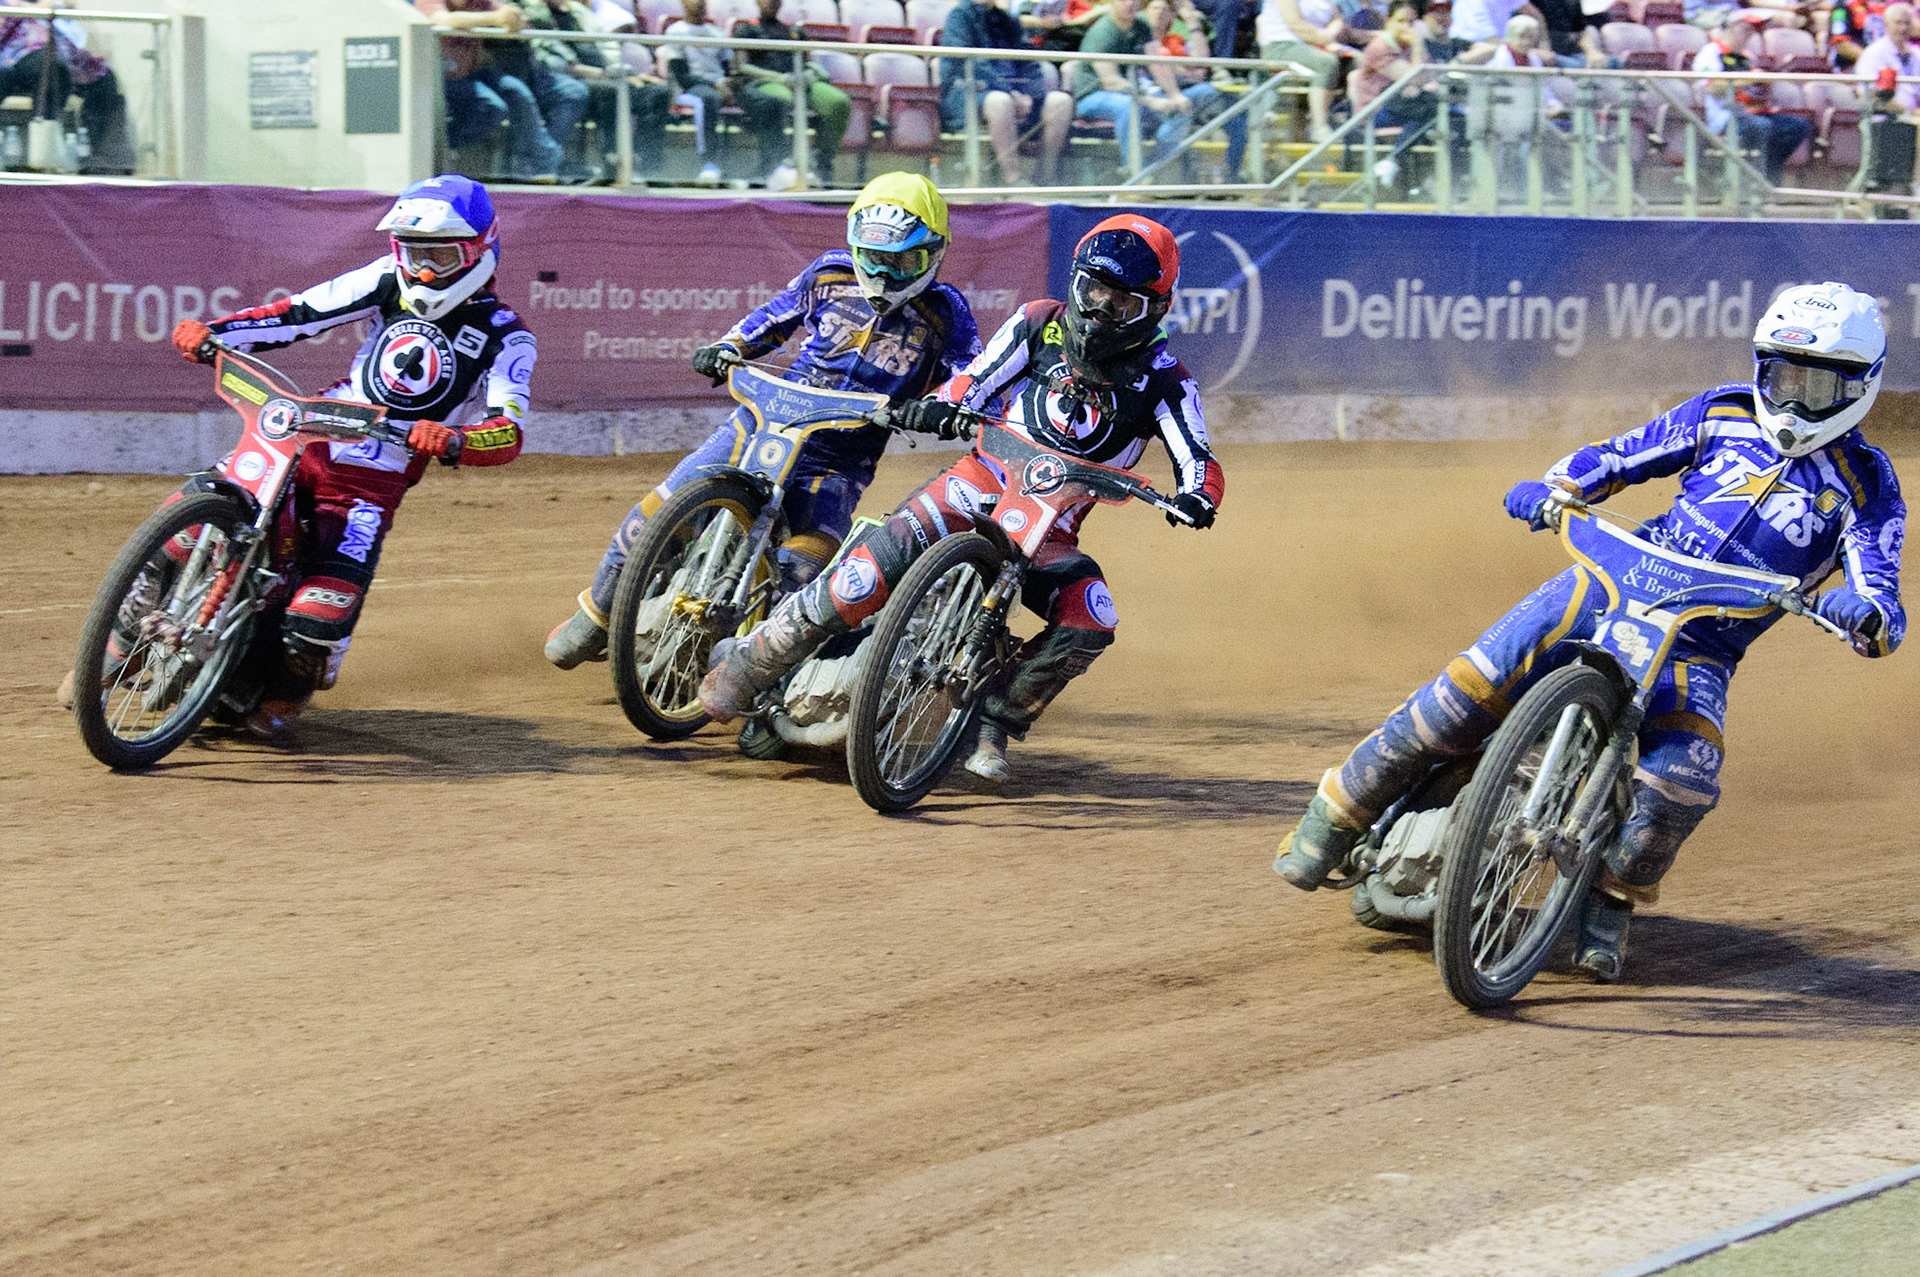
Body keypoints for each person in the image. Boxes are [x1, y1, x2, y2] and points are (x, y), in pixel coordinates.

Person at [1274, 282, 1905, 982]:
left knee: (1683, 776)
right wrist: (1558, 488)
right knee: (1463, 692)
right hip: (1609, 583)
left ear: (1860, 387)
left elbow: (1881, 596)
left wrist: (1866, 614)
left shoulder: (1868, 485)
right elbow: (1620, 456)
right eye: (1782, 375)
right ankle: (1334, 816)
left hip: (1702, 645)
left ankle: (1613, 898)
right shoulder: (1723, 411)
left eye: (1817, 384)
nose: (1792, 399)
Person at [697, 214, 1225, 782]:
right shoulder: (1039, 324)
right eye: (1093, 292)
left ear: (1156, 309)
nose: (1100, 312)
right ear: (1075, 282)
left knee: (1091, 619)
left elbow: (1198, 457)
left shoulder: (1168, 381)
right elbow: (974, 379)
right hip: (976, 483)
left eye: (1122, 304)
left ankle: (993, 719)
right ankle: (758, 660)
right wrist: (943, 405)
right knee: (870, 569)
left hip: (1051, 532)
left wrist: (1199, 497)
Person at [544, 174, 980, 670]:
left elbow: (972, 372)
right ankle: (599, 613)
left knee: (805, 568)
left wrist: (948, 407)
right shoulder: (828, 274)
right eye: (873, 256)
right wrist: (728, 348)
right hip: (760, 422)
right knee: (662, 506)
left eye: (901, 261)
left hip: (839, 458)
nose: (882, 273)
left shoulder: (947, 312)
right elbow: (773, 317)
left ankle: (758, 674)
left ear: (935, 253)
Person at [167, 177, 536, 741]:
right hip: (304, 434)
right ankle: (122, 633)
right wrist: (215, 333)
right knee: (196, 512)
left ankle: (288, 691)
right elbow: (298, 313)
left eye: (440, 254)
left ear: (480, 250)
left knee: (317, 616)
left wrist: (456, 440)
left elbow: (507, 430)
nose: (425, 271)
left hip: (373, 478)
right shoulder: (384, 279)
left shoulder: (507, 335)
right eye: (413, 253)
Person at [418, 0, 569, 182]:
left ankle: (540, 167)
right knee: (491, 105)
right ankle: (436, 150)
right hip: (436, 78)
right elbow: (440, 19)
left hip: (472, 72)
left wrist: (512, 18)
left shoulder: (482, 2)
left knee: (515, 90)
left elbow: (516, 20)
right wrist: (494, 18)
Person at [1074, 0, 1228, 169]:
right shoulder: (1103, 31)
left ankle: (1154, 167)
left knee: (1181, 108)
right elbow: (1110, 81)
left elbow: (1157, 64)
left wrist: (1175, 95)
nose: (1130, 4)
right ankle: (1133, 171)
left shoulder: (1141, 26)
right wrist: (1150, 100)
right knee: (1129, 107)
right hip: (1094, 95)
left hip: (1130, 93)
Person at [941, 0, 1075, 183]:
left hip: (1015, 91)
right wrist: (1010, 93)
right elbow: (969, 63)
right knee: (1000, 101)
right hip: (970, 91)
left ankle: (1044, 179)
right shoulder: (959, 16)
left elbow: (1028, 60)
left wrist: (1030, 95)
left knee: (1061, 102)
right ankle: (1013, 179)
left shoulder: (1008, 20)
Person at [0, 10, 137, 174]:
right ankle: (43, 159)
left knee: (104, 78)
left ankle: (103, 162)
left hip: (63, 58)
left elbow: (75, 37)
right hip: (16, 59)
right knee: (51, 68)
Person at [735, 0, 853, 186]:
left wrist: (807, 74)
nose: (772, 2)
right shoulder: (746, 29)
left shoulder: (794, 31)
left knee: (837, 101)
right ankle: (778, 166)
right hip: (767, 81)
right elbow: (741, 66)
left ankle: (821, 163)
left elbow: (807, 60)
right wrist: (778, 78)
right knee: (781, 99)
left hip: (800, 82)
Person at [1692, 13, 1811, 186]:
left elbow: (1753, 93)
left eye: (1753, 30)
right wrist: (1749, 79)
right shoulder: (1711, 52)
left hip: (1749, 113)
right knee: (1760, 126)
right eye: (1746, 28)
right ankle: (1749, 182)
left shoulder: (1746, 57)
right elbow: (1713, 88)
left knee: (1796, 126)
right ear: (1731, 26)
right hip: (1722, 116)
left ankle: (1766, 179)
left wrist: (1764, 86)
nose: (1750, 33)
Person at [1145, 0, 1250, 178]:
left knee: (1238, 115)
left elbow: (1200, 65)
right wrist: (1183, 71)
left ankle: (1232, 176)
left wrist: (1192, 24)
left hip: (1189, 95)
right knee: (1205, 93)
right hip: (1159, 99)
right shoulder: (1140, 39)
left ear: (1171, 15)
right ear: (1145, 12)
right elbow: (1165, 69)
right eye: (1155, 8)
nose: (1160, 13)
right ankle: (1147, 171)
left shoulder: (1176, 40)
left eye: (1165, 10)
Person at [663, 0, 735, 185]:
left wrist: (728, 83)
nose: (699, 3)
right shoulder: (675, 32)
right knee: (708, 98)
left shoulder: (717, 34)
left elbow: (729, 68)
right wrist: (716, 85)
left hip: (719, 86)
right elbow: (682, 77)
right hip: (689, 89)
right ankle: (709, 163)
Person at [1256, 0, 1347, 139]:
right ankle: (1319, 127)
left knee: (1358, 61)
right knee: (1326, 62)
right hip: (1282, 46)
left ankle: (1357, 128)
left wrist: (1330, 33)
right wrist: (1324, 40)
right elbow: (1295, 24)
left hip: (1317, 45)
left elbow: (1337, 18)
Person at [1855, 2, 1920, 110]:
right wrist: (1909, 112)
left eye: (1907, 23)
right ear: (1886, 25)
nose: (1903, 28)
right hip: (1884, 119)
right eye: (1898, 23)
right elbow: (1872, 96)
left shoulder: (1916, 54)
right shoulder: (1874, 53)